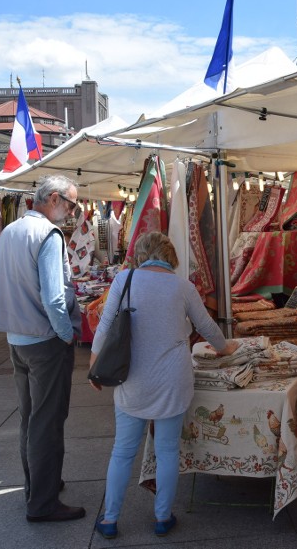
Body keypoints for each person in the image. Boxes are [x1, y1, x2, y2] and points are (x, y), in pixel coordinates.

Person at [89, 231, 238, 540]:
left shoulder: (124, 280)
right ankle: (162, 518)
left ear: (141, 255)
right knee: (167, 450)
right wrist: (224, 348)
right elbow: (207, 326)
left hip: (132, 379)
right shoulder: (183, 287)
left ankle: (110, 519)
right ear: (170, 257)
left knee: (122, 452)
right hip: (173, 380)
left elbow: (104, 326)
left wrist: (94, 368)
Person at [0, 174, 85, 523]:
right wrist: (65, 334)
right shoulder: (48, 234)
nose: (72, 211)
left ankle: (38, 486)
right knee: (46, 422)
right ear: (55, 199)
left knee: (30, 419)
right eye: (71, 204)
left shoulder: (10, 231)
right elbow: (54, 296)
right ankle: (42, 502)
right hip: (43, 340)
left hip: (17, 338)